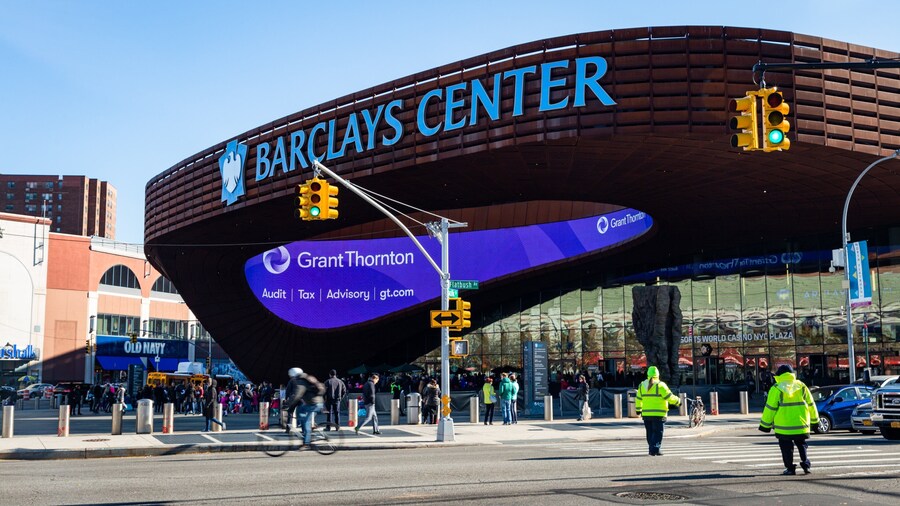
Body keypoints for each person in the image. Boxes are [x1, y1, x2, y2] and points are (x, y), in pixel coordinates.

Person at [759, 364, 819, 475]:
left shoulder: (776, 388)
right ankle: (806, 465)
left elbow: (770, 408)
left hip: (783, 427)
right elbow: (811, 404)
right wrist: (815, 421)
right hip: (801, 425)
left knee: (786, 448)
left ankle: (790, 468)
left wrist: (765, 425)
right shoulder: (802, 386)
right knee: (802, 445)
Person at [635, 365, 681, 456]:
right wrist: (678, 401)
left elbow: (638, 399)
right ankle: (655, 449)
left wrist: (638, 410)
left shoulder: (642, 385)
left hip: (646, 414)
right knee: (658, 432)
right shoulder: (660, 385)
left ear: (647, 374)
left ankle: (651, 448)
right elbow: (670, 397)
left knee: (650, 432)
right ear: (658, 375)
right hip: (659, 414)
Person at [283, 367, 325, 447]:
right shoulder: (306, 378)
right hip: (314, 402)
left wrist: (287, 404)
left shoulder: (301, 382)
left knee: (306, 422)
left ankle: (306, 442)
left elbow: (296, 395)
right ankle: (307, 429)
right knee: (300, 412)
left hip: (314, 403)